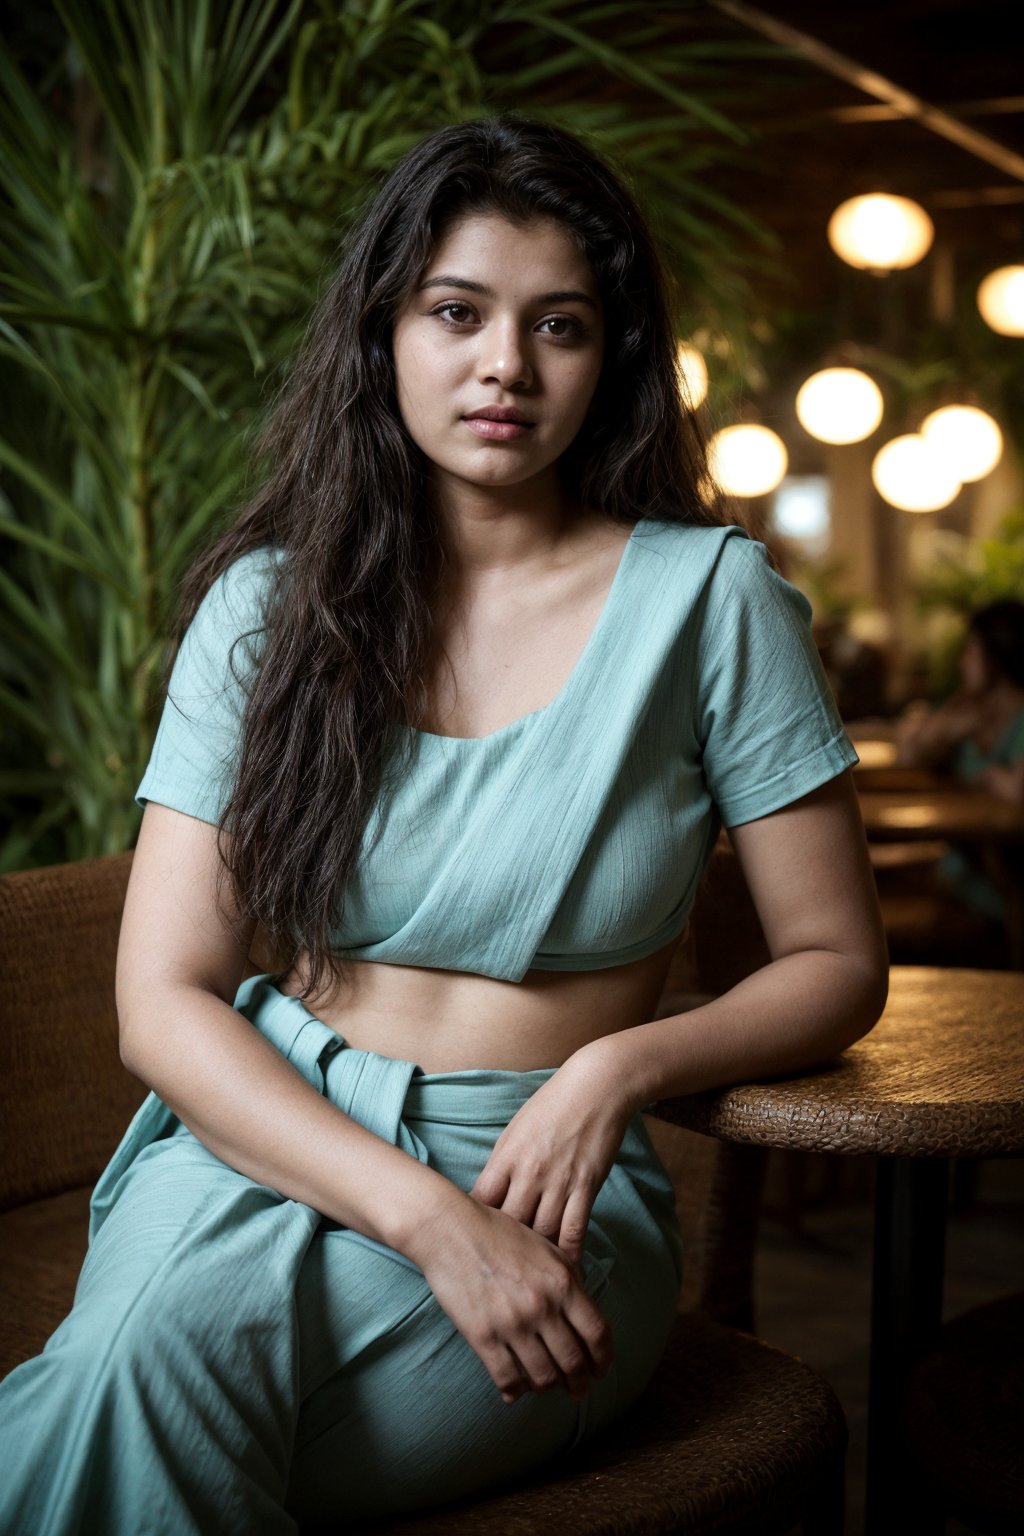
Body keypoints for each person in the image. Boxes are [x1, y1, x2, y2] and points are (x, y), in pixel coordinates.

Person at [0, 110, 888, 1534]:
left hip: (543, 1186)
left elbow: (839, 962)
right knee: (143, 1375)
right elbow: (162, 1005)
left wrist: (616, 1070)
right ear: (383, 333)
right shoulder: (270, 612)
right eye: (457, 312)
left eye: (562, 327)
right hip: (264, 1137)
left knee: (118, 1405)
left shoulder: (712, 604)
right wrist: (427, 1222)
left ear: (614, 363)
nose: (504, 368)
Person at [896, 598, 1024, 922]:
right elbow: (909, 756)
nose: (961, 662)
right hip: (964, 871)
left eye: (970, 651)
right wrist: (945, 729)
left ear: (996, 657)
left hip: (1007, 882)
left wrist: (986, 777)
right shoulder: (967, 710)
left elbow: (1017, 791)